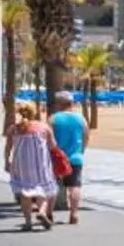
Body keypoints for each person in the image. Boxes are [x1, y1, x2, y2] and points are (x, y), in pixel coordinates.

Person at [6, 102, 60, 231]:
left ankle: (28, 222)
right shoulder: (43, 127)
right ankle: (42, 211)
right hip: (39, 163)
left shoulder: (14, 129)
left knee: (25, 193)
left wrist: (6, 162)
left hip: (21, 165)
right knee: (44, 190)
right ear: (34, 112)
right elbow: (53, 145)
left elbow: (8, 147)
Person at [48, 91, 88, 224]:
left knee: (52, 185)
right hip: (75, 157)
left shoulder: (53, 119)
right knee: (75, 186)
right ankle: (74, 213)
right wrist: (81, 151)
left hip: (56, 157)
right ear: (71, 103)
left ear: (59, 104)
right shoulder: (80, 119)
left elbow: (47, 138)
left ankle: (49, 213)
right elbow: (86, 136)